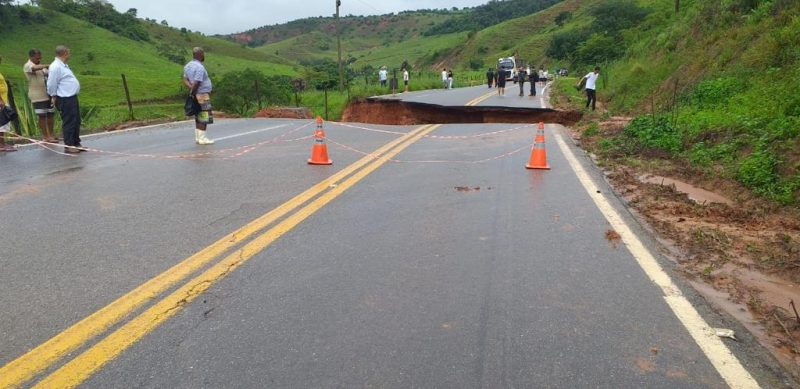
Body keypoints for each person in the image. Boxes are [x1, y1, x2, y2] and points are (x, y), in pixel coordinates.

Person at [46, 46, 83, 154]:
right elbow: (51, 83)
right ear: (65, 53)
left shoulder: (63, 66)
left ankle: (76, 142)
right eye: (69, 52)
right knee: (69, 121)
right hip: (64, 98)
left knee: (76, 120)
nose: (69, 55)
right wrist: (53, 95)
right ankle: (69, 145)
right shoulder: (55, 67)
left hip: (71, 97)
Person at [24, 48, 57, 143]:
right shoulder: (28, 65)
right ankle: (45, 136)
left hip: (48, 94)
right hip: (38, 95)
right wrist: (48, 65)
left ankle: (51, 135)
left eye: (40, 57)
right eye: (37, 58)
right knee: (42, 116)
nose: (39, 59)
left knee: (50, 114)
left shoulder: (41, 67)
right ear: (31, 57)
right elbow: (34, 68)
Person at [183, 47, 214, 145]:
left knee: (198, 114)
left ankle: (198, 137)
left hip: (195, 93)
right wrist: (194, 91)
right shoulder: (199, 67)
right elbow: (197, 82)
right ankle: (203, 138)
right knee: (205, 114)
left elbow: (185, 79)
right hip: (202, 94)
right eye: (203, 54)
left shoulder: (188, 66)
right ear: (200, 55)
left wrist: (191, 90)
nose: (204, 55)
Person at [0, 59, 16, 152]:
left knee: (4, 124)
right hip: (1, 100)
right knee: (1, 123)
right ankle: (1, 144)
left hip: (3, 99)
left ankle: (2, 143)